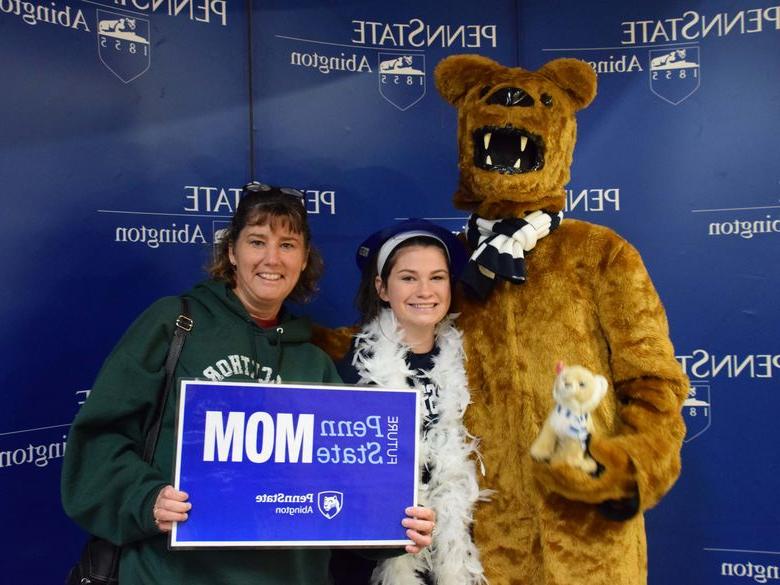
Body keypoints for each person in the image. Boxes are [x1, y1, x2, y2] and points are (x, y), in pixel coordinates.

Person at [61, 182, 435, 585]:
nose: (272, 259)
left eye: (288, 245)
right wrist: (146, 499)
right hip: (173, 574)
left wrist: (395, 524)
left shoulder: (311, 361)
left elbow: (339, 492)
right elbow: (99, 441)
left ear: (304, 258)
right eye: (257, 241)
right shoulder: (175, 324)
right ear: (231, 252)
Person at [330, 219, 485, 585]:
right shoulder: (348, 369)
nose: (424, 291)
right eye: (408, 277)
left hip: (455, 552)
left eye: (437, 277)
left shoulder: (475, 365)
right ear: (382, 287)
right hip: (373, 563)